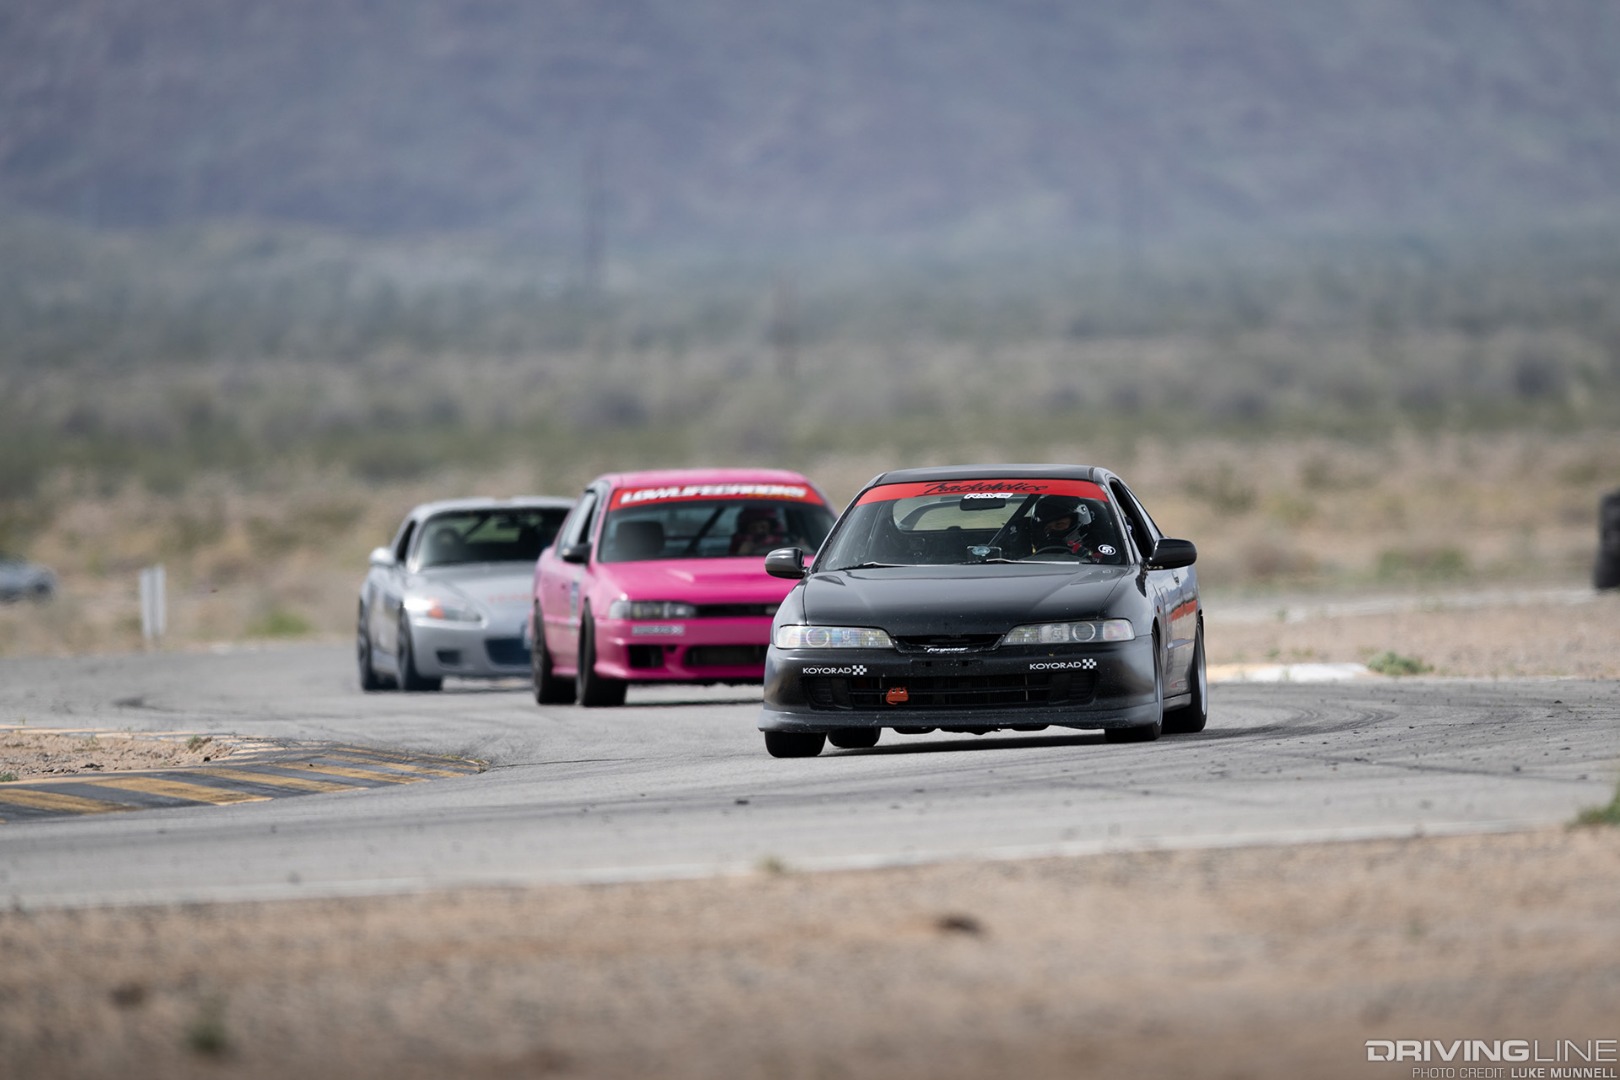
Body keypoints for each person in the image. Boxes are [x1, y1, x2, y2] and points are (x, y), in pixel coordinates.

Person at [1027, 495, 1097, 558]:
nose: (1053, 531)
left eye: (1059, 525)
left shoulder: (1100, 560)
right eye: (1047, 528)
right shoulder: (1026, 563)